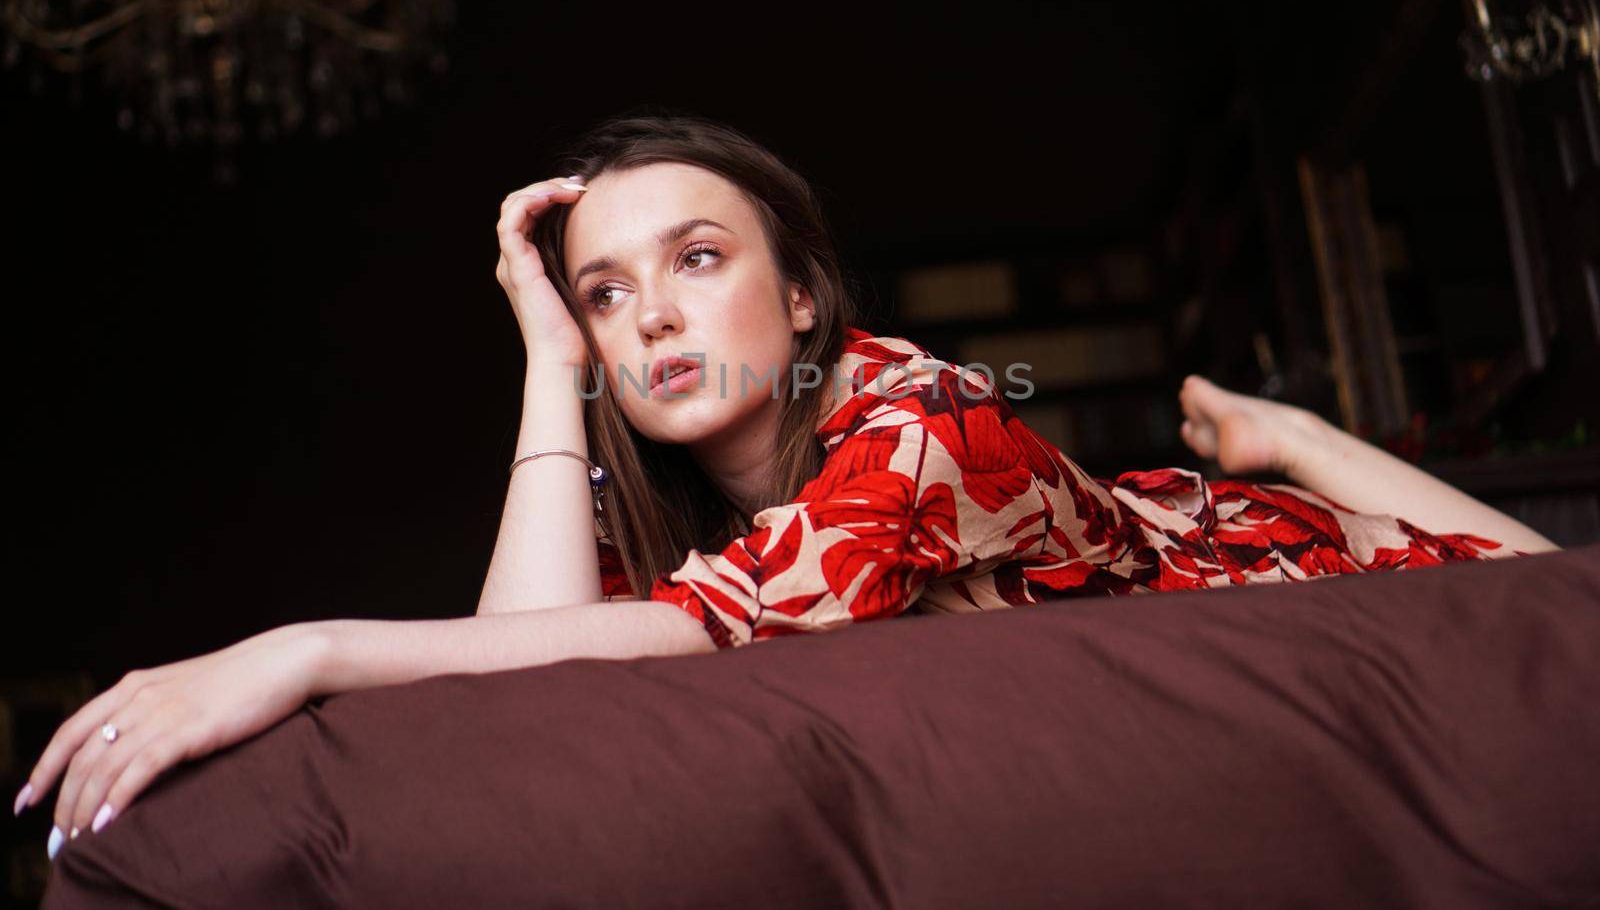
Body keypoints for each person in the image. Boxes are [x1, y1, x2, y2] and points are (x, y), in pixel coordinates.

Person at [17, 111, 1559, 862]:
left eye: (697, 262)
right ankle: (1264, 437)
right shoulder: (651, 471)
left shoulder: (923, 421)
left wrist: (306, 651)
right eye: (608, 293)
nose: (654, 317)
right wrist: (548, 363)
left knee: (1537, 587)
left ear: (804, 299)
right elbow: (506, 691)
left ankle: (1287, 440)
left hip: (1262, 568)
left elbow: (689, 631)